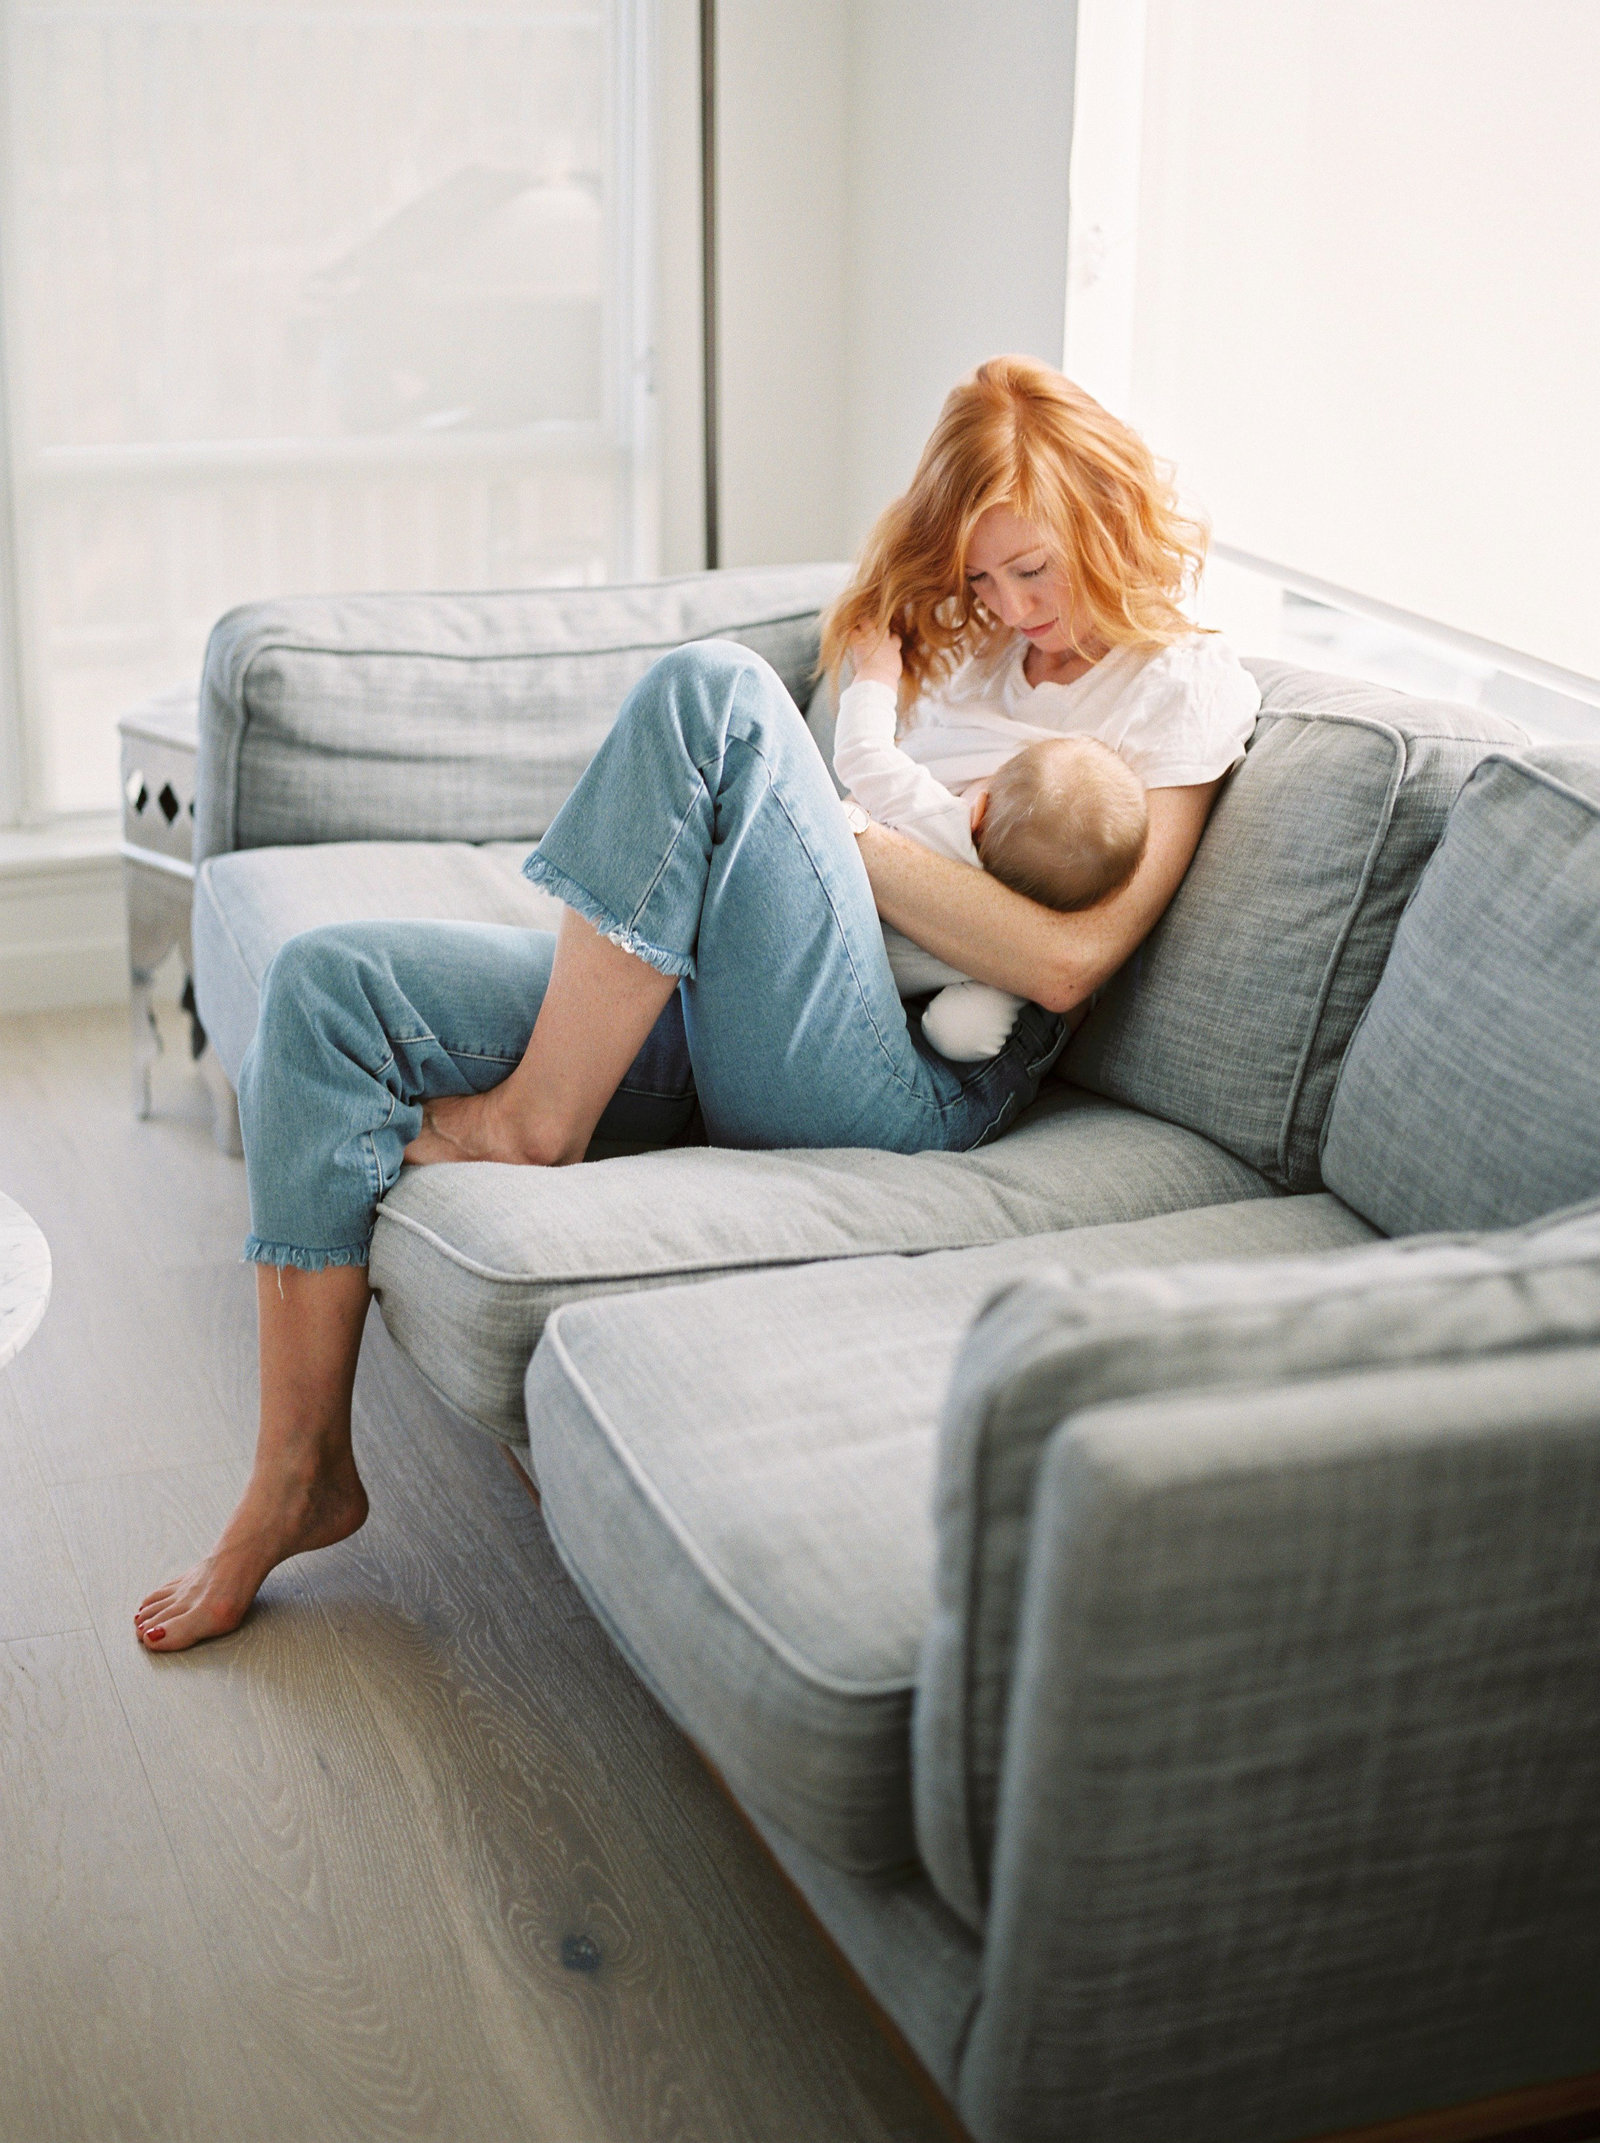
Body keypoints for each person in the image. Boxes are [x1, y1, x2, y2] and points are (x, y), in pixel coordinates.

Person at [134, 354, 1260, 1653]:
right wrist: (858, 758)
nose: (1012, 606)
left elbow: (1065, 959)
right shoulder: (945, 641)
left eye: (1037, 569)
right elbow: (850, 775)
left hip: (899, 1074)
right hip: (763, 996)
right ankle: (299, 1475)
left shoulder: (1179, 690)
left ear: (1108, 519)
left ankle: (536, 1120)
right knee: (329, 986)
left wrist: (840, 840)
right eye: (982, 575)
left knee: (715, 690)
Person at [832, 649, 1148, 1059]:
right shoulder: (1005, 959)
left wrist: (877, 671)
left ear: (979, 808)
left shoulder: (937, 816)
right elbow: (960, 1034)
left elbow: (861, 750)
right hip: (843, 996)